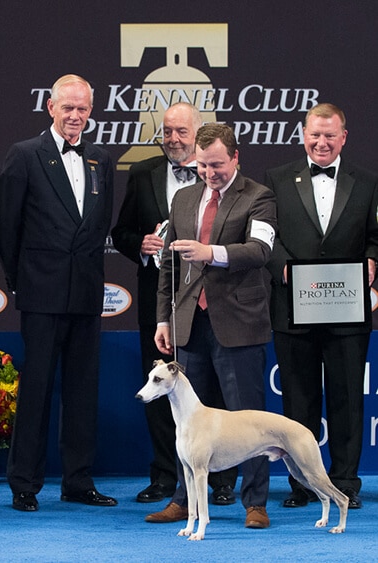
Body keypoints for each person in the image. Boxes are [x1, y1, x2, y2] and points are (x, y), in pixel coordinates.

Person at [0, 74, 116, 512]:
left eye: (82, 109)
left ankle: (78, 481)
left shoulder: (102, 159)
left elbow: (99, 226)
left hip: (86, 294)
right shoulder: (25, 155)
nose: (75, 116)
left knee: (83, 391)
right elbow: (5, 227)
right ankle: (24, 484)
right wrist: (19, 281)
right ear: (50, 107)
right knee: (37, 390)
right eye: (68, 108)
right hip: (41, 294)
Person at [148, 123, 276, 529]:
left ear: (236, 157)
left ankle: (255, 503)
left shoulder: (259, 196)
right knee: (188, 422)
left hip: (239, 323)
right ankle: (184, 501)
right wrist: (164, 318)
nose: (209, 172)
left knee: (249, 420)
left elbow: (260, 250)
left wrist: (210, 252)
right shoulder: (183, 199)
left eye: (217, 164)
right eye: (202, 165)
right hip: (189, 324)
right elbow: (169, 264)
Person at [112, 103, 237, 505]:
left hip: (211, 301)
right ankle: (167, 478)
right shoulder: (142, 173)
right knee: (160, 390)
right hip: (159, 302)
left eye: (182, 132)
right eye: (167, 132)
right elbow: (121, 232)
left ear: (199, 135)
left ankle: (221, 482)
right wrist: (141, 245)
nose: (173, 139)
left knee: (214, 391)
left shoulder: (218, 176)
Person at [265, 103, 378, 510]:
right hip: (293, 311)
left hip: (348, 314)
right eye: (315, 134)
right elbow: (265, 236)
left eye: (330, 135)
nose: (321, 142)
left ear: (343, 137)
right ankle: (303, 485)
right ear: (303, 133)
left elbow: (375, 236)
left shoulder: (367, 182)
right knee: (299, 400)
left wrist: (372, 260)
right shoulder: (276, 179)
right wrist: (284, 269)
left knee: (348, 399)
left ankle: (345, 482)